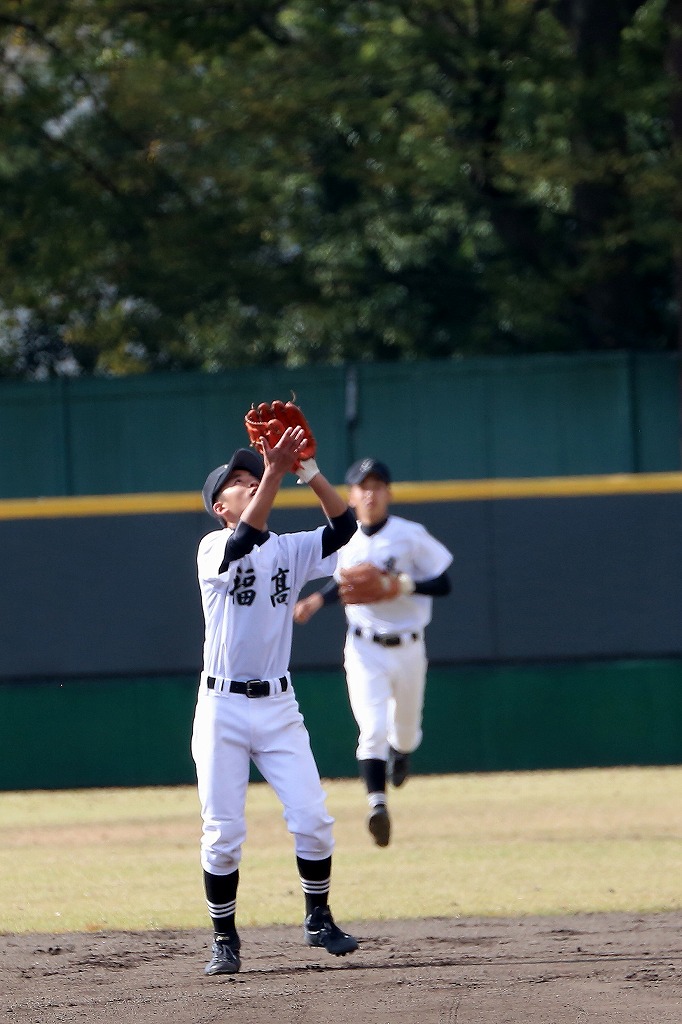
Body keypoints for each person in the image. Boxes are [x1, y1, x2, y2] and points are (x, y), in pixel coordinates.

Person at [192, 422, 359, 976]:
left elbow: (345, 527)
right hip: (221, 708)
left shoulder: (290, 549)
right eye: (238, 481)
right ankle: (224, 937)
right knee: (223, 834)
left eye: (253, 475)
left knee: (313, 818)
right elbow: (245, 540)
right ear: (220, 505)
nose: (251, 482)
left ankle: (318, 917)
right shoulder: (215, 545)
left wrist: (308, 472)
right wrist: (272, 472)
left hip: (278, 705)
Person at [294, 457, 453, 849]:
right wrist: (316, 601)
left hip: (409, 645)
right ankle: (377, 803)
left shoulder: (410, 534)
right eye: (363, 486)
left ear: (388, 493)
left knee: (406, 732)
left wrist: (403, 585)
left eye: (378, 485)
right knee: (372, 729)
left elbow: (444, 582)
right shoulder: (344, 538)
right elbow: (347, 586)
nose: (370, 492)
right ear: (351, 495)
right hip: (364, 645)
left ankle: (403, 753)